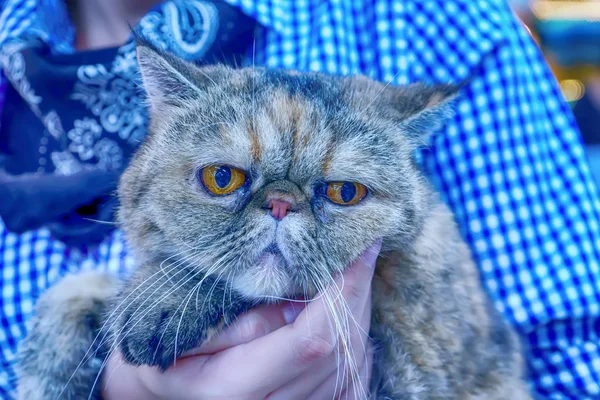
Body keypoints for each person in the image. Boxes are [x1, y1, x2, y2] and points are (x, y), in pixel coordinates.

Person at [0, 1, 599, 399]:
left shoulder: (433, 18)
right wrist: (120, 385)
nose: (279, 210)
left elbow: (575, 364)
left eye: (340, 191)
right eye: (223, 180)